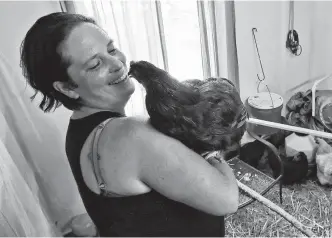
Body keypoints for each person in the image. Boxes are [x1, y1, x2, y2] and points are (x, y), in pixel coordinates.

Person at [20, 12, 239, 237]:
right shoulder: (131, 136)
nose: (116, 63)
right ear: (67, 88)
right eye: (95, 64)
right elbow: (227, 199)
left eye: (111, 49)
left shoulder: (78, 130)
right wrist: (212, 149)